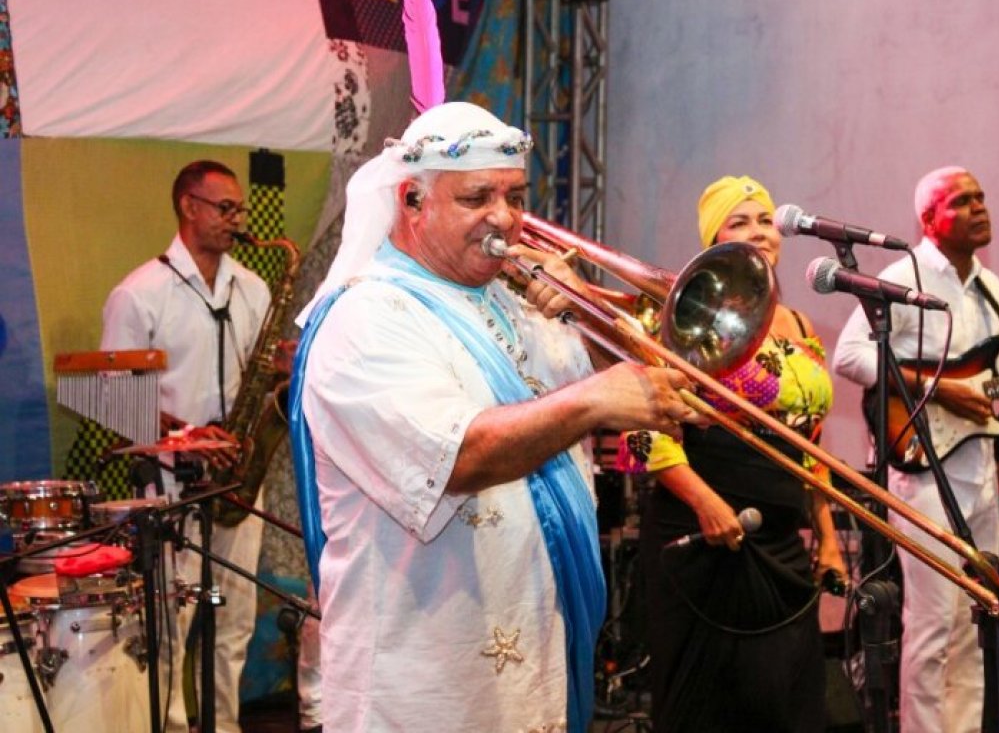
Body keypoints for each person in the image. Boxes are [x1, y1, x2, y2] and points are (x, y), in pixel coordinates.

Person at [289, 101, 703, 733]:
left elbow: (614, 378)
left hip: (528, 663)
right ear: (411, 202)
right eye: (478, 196)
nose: (505, 219)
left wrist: (585, 305)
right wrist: (594, 403)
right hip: (422, 680)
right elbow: (456, 458)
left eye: (515, 196)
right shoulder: (365, 318)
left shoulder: (514, 301)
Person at [832, 166, 999, 733]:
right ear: (930, 219)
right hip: (922, 473)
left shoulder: (990, 289)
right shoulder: (905, 276)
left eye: (982, 197)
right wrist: (937, 385)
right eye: (963, 200)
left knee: (976, 626)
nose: (980, 207)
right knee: (931, 628)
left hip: (980, 472)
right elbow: (848, 357)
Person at [613, 175, 847, 733]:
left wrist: (831, 539)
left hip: (780, 543)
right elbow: (643, 432)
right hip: (705, 534)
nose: (759, 231)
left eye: (765, 219)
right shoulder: (682, 314)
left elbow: (807, 443)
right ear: (713, 240)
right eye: (739, 222)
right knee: (711, 710)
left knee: (791, 708)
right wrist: (706, 504)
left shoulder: (800, 326)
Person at [101, 160, 271, 732]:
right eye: (225, 208)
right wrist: (187, 437)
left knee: (236, 626)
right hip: (172, 486)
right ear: (188, 207)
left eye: (239, 209)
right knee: (173, 626)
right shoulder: (137, 293)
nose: (237, 220)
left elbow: (259, 379)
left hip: (240, 484)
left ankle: (224, 726)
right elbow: (113, 400)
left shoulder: (254, 288)